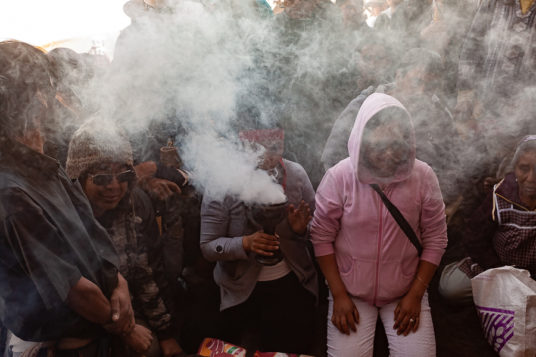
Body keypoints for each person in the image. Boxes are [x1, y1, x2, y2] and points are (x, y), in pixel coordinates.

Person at [0, 40, 134, 357]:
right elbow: (75, 290)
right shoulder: (10, 191)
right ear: (32, 101)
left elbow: (96, 239)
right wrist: (123, 325)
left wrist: (121, 285)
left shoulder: (49, 167)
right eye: (46, 89)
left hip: (96, 336)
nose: (53, 101)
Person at [311, 93, 447, 356]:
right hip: (351, 292)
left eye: (396, 144)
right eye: (379, 144)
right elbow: (321, 237)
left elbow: (436, 238)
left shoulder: (423, 177)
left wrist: (415, 295)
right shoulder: (340, 177)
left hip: (405, 289)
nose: (387, 153)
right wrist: (338, 295)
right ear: (362, 140)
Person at [65, 119, 185, 357]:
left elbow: (149, 273)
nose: (114, 186)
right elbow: (73, 292)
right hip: (77, 320)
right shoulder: (64, 214)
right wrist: (125, 330)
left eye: (123, 175)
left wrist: (166, 334)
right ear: (79, 177)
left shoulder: (136, 204)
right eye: (101, 178)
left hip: (130, 307)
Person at [199, 128, 318, 354]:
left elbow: (318, 229)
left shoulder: (295, 175)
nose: (268, 157)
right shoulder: (222, 182)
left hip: (291, 283)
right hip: (239, 290)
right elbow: (208, 246)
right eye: (257, 148)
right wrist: (245, 243)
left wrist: (300, 230)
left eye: (275, 149)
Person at [439, 135, 536, 301]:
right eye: (524, 169)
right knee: (451, 289)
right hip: (496, 268)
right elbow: (474, 238)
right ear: (514, 169)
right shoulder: (500, 196)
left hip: (532, 274)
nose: (532, 178)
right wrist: (501, 272)